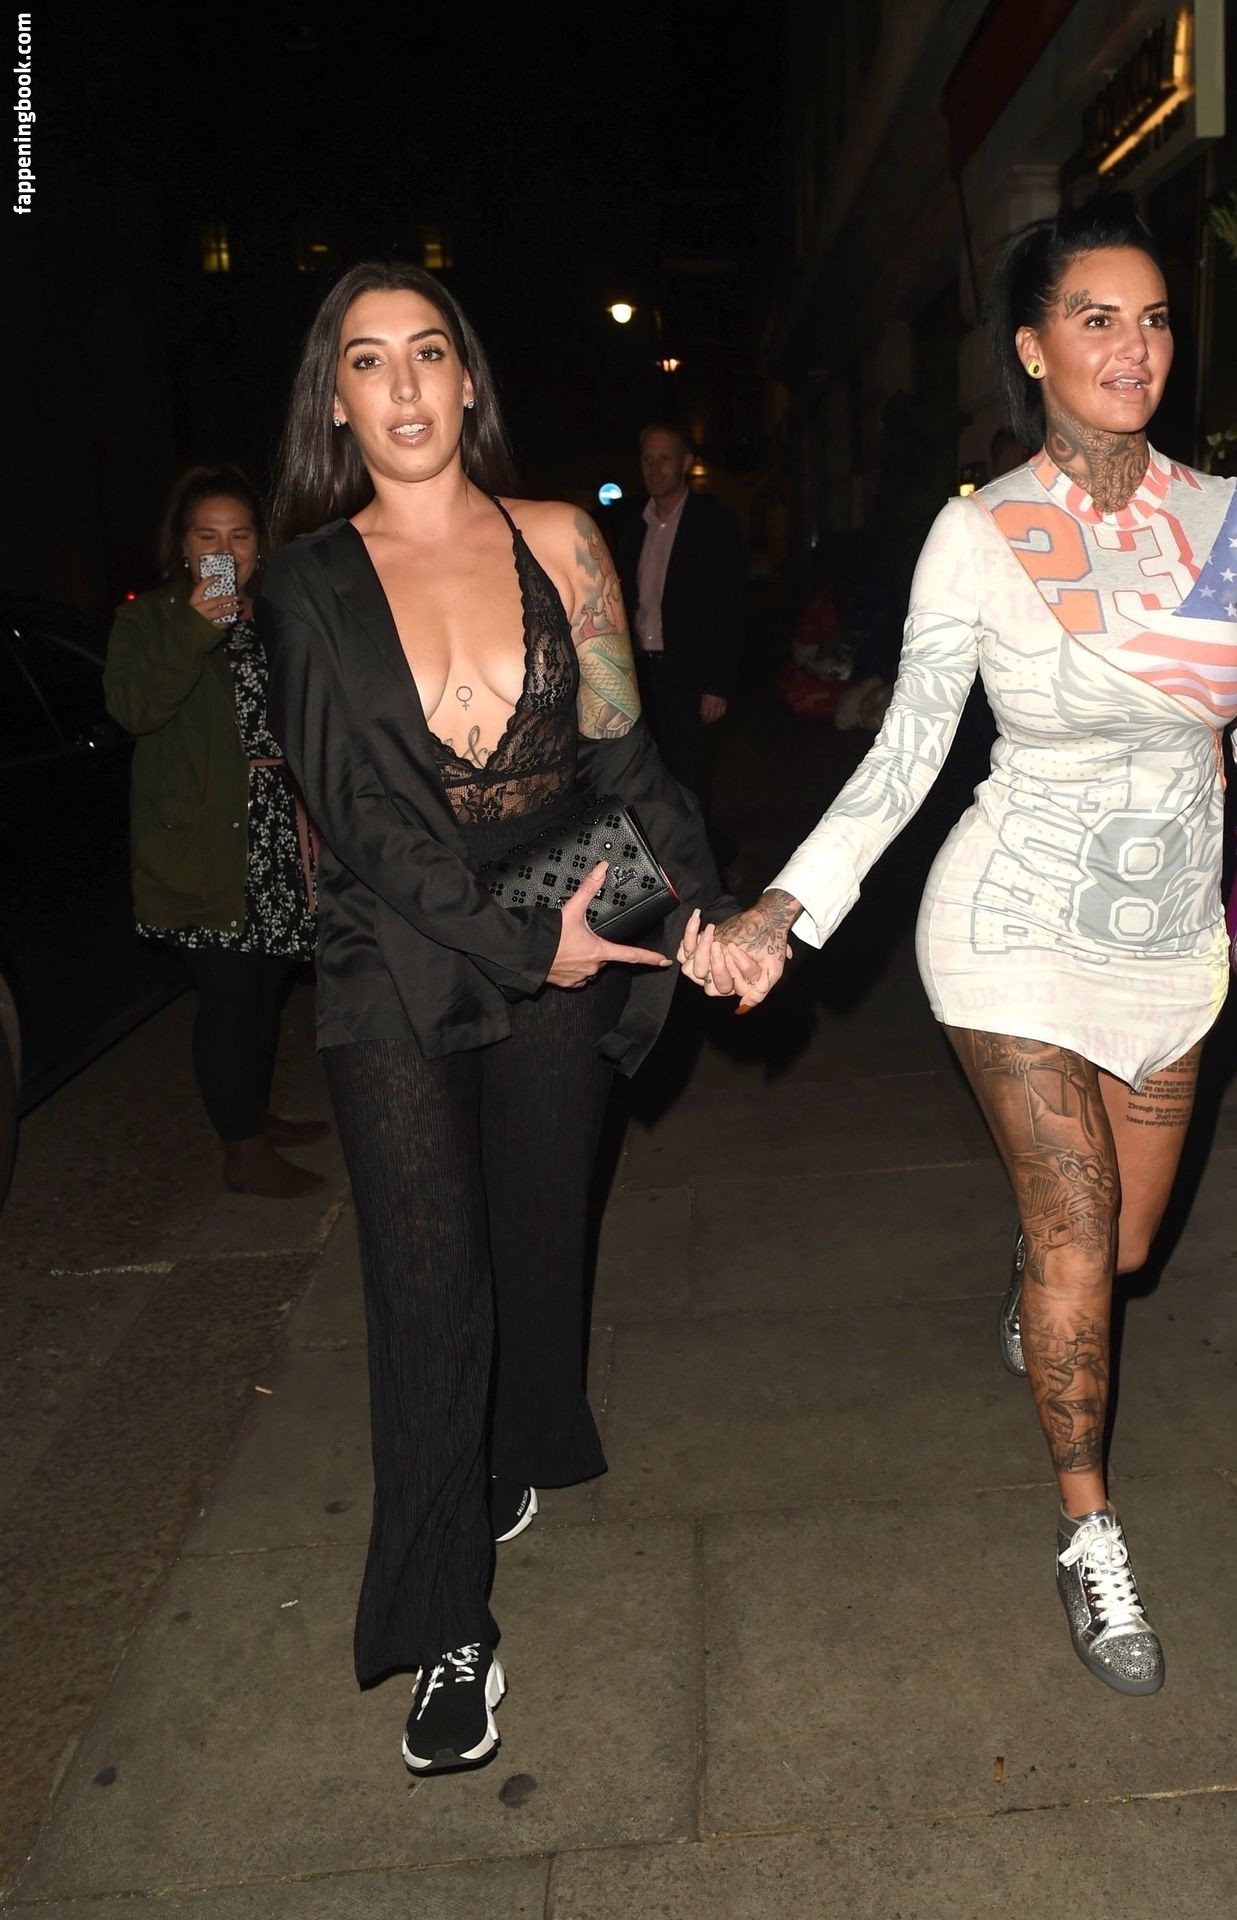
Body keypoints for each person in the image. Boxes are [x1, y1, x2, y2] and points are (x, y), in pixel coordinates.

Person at [679, 196, 1237, 1697]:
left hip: (1171, 938)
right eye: (1096, 318)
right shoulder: (979, 533)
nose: (1134, 347)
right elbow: (906, 751)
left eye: (1153, 318)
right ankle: (1088, 1530)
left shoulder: (1228, 520)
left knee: (1117, 1249)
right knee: (1074, 1230)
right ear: (1034, 348)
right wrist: (785, 907)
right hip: (1011, 925)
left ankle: (1033, 1283)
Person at [257, 262, 736, 1776]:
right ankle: (444, 1619)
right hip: (399, 948)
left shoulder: (561, 540)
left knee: (538, 1227)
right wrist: (534, 945)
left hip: (564, 897)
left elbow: (626, 763)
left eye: (427, 353)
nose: (402, 386)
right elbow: (362, 823)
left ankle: (521, 1438)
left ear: (468, 379)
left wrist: (708, 915)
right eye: (367, 361)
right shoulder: (306, 583)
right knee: (424, 1285)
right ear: (336, 399)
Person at [105, 467, 324, 1199]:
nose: (225, 550)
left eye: (240, 535)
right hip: (207, 837)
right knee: (229, 994)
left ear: (261, 545)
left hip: (278, 828)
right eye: (208, 536)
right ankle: (242, 1150)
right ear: (182, 545)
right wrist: (197, 626)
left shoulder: (275, 612)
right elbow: (134, 707)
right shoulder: (153, 618)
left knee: (267, 987)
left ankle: (251, 1113)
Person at [615, 422, 745, 806]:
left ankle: (697, 844)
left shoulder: (713, 524)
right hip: (641, 676)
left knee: (688, 782)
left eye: (664, 459)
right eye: (647, 459)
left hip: (688, 674)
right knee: (643, 781)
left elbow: (730, 607)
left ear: (685, 462)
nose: (654, 468)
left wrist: (717, 684)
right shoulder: (633, 526)